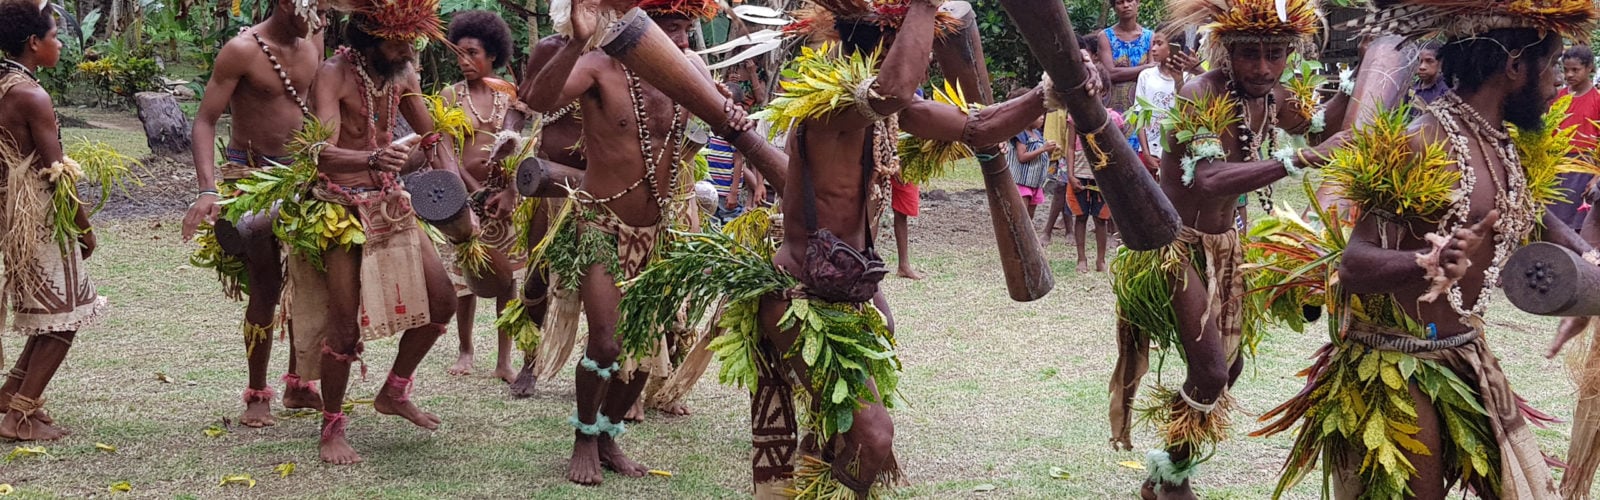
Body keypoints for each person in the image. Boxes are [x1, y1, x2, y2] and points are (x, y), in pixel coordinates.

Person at [613, 0, 1061, 495]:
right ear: (890, 48)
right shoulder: (835, 111)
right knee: (875, 438)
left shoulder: (890, 112)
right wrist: (926, 5)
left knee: (848, 438)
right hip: (802, 298)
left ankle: (829, 480)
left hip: (853, 290)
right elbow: (890, 91)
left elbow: (979, 127)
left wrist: (1047, 94)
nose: (930, 59)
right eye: (922, 47)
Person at [1257, 2, 1599, 496]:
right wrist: (1425, 260)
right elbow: (1353, 264)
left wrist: (1586, 261)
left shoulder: (1502, 143)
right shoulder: (1419, 142)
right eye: (1550, 66)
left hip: (1465, 355)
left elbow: (1528, 212)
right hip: (1399, 366)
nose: (1556, 84)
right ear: (1514, 65)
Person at [1107, 0, 1344, 495]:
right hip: (1173, 246)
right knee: (1212, 370)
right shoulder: (1199, 94)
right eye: (1251, 54)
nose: (1263, 67)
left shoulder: (1275, 93)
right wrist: (1299, 160)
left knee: (1227, 368)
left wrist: (1361, 83)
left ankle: (1166, 472)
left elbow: (1319, 127)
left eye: (1276, 53)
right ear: (1226, 50)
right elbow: (1210, 178)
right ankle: (1171, 483)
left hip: (1226, 244)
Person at [521, 0, 732, 484]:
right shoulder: (597, 67)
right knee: (608, 342)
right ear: (640, 28)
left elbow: (703, 135)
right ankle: (582, 439)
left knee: (642, 350)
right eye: (669, 31)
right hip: (601, 224)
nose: (680, 42)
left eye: (686, 30)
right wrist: (577, 40)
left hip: (657, 231)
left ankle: (608, 435)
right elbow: (539, 101)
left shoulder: (690, 72)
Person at [302, 0, 466, 464]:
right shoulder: (333, 73)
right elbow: (319, 153)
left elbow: (434, 138)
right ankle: (331, 426)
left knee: (443, 300)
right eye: (396, 41)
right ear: (367, 38)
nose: (405, 48)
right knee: (345, 326)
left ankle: (394, 390)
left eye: (410, 41)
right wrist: (371, 160)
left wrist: (452, 185)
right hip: (341, 204)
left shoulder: (402, 74)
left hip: (391, 202)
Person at [179, 0, 326, 428]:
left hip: (303, 174)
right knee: (265, 286)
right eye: (311, 6)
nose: (319, 15)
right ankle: (257, 392)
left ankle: (300, 384)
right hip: (254, 175)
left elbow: (318, 106)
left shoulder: (314, 37)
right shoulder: (242, 50)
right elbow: (205, 121)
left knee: (311, 278)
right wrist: (208, 189)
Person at [0, 0, 109, 441]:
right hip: (42, 215)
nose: (60, 44)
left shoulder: (6, 86)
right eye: (54, 37)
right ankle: (19, 417)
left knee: (50, 314)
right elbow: (56, 171)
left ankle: (10, 394)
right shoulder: (30, 95)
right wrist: (84, 228)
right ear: (34, 43)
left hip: (13, 213)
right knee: (65, 316)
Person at [440, 10, 534, 385]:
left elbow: (522, 148)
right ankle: (465, 350)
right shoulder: (450, 96)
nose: (464, 62)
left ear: (492, 54)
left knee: (508, 279)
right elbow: (446, 149)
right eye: (459, 54)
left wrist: (508, 190)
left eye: (472, 53)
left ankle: (503, 360)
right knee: (464, 278)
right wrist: (473, 191)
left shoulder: (510, 96)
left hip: (505, 201)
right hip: (465, 198)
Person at [1063, 48, 1124, 274]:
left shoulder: (1114, 119)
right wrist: (1069, 174)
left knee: (1100, 219)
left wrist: (1114, 176)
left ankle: (1100, 259)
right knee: (1080, 216)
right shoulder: (1073, 117)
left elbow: (1117, 149)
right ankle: (1082, 258)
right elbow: (1070, 146)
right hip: (1079, 170)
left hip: (1103, 174)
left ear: (1104, 91)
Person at [1551, 44, 1599, 229]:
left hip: (1584, 168)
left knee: (1580, 224)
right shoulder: (1557, 97)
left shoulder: (1597, 100)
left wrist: (1596, 176)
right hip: (1557, 167)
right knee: (1555, 223)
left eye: (1575, 70)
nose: (1569, 75)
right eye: (1566, 70)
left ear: (1589, 68)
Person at [1133, 25, 1188, 172]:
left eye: (1159, 43)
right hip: (1149, 150)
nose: (1153, 49)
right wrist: (1145, 152)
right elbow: (1139, 115)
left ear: (1173, 47)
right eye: (1153, 43)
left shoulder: (1189, 78)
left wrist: (1179, 82)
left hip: (1177, 153)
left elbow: (1188, 112)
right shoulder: (1146, 76)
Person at [1098, 0, 1154, 115]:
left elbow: (1152, 75)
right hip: (1113, 107)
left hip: (1142, 105)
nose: (1126, 5)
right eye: (1120, 2)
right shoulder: (1105, 37)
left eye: (1129, 1)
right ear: (1114, 7)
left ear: (1138, 3)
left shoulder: (1150, 37)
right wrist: (1146, 67)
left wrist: (1122, 72)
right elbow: (1110, 73)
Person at [1006, 99, 1055, 219]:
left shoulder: (1037, 134)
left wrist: (1049, 151)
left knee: (1030, 216)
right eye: (1038, 115)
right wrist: (1043, 149)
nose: (1042, 118)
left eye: (1043, 115)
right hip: (1022, 182)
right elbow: (1022, 157)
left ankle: (1026, 236)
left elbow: (1043, 157)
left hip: (1036, 183)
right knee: (1022, 216)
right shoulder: (1021, 134)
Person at [891, 174, 921, 279]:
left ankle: (903, 266)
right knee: (871, 205)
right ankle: (865, 261)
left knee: (903, 209)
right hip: (877, 160)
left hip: (906, 163)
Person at [1412, 41, 1448, 105]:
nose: (1422, 67)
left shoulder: (1445, 91)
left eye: (1429, 61)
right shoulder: (1411, 89)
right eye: (1419, 61)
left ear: (1440, 63)